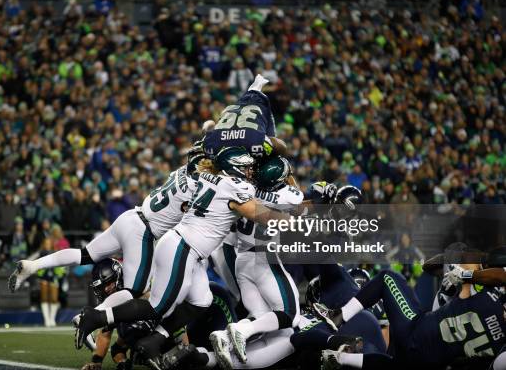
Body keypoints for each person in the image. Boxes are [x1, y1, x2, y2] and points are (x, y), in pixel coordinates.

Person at [74, 146, 299, 358]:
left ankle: (155, 339)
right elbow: (261, 215)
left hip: (184, 246)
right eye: (247, 167)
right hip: (183, 247)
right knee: (157, 306)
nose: (251, 171)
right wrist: (295, 217)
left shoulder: (212, 177)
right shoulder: (235, 187)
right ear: (234, 168)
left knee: (202, 301)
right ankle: (97, 316)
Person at [9, 143, 207, 315]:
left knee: (84, 254)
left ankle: (34, 265)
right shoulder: (197, 188)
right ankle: (94, 315)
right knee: (135, 290)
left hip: (129, 217)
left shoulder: (179, 172)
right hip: (143, 232)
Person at [313, 265, 506, 368]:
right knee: (394, 365)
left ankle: (339, 317)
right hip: (429, 362)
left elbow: (500, 276)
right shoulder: (501, 347)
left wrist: (466, 275)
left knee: (388, 278)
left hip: (416, 331)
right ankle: (339, 359)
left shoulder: (491, 291)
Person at [210, 155, 303, 367]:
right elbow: (296, 197)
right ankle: (240, 330)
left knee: (260, 315)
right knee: (291, 314)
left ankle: (225, 337)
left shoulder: (245, 190)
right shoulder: (286, 195)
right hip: (264, 257)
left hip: (241, 259)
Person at [203, 74, 286, 159]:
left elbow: (207, 131)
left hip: (218, 142)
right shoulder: (263, 111)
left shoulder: (230, 108)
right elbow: (280, 146)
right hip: (251, 140)